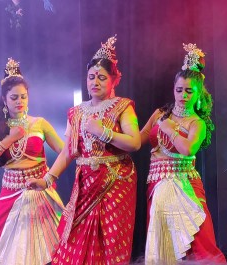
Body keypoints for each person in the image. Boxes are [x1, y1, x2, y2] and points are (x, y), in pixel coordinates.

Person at [27, 35, 141, 264]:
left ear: (114, 80)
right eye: (91, 77)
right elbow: (68, 151)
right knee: (74, 239)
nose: (94, 82)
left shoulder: (123, 107)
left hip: (116, 182)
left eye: (101, 77)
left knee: (110, 241)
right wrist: (47, 180)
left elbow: (135, 143)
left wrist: (103, 132)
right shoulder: (76, 112)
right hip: (85, 184)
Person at [140, 44, 226, 264]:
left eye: (189, 91)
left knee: (196, 240)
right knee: (163, 243)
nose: (183, 95)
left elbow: (188, 149)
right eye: (179, 90)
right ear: (173, 89)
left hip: (184, 184)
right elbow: (137, 140)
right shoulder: (160, 114)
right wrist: (107, 134)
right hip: (157, 185)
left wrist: (169, 129)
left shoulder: (197, 122)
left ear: (198, 93)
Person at [0, 58, 65, 265]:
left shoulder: (39, 123)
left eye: (23, 97)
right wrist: (10, 138)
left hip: (41, 192)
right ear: (4, 100)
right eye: (14, 97)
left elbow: (65, 151)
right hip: (10, 193)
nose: (19, 101)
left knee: (52, 248)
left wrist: (50, 177)